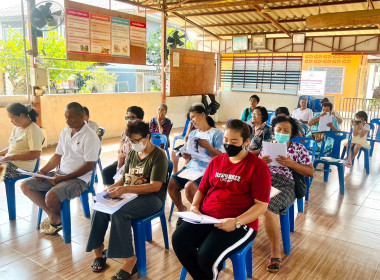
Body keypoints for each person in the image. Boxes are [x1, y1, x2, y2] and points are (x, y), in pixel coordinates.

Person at [172, 120, 271, 280]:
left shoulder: (258, 167)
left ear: (246, 142)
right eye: (225, 140)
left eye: (234, 141)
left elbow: (261, 206)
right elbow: (202, 189)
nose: (228, 144)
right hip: (207, 217)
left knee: (206, 256)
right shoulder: (217, 161)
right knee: (179, 241)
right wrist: (195, 207)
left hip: (241, 224)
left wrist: (236, 222)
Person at [86, 120, 168, 280]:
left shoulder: (159, 156)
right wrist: (113, 188)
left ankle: (129, 260)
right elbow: (124, 179)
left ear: (147, 137)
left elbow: (155, 187)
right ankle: (99, 251)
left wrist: (125, 189)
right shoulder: (132, 154)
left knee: (120, 213)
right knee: (99, 206)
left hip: (151, 198)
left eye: (137, 140)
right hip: (130, 194)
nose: (134, 144)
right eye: (131, 141)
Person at [20, 102, 100, 235]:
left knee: (51, 197)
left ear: (82, 116)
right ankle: (55, 217)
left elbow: (89, 165)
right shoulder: (65, 131)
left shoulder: (90, 136)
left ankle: (55, 218)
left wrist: (64, 178)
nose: (68, 120)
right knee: (26, 186)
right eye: (66, 117)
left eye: (71, 117)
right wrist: (43, 172)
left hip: (79, 180)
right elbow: (57, 155)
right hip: (60, 174)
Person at [260, 116, 314, 273]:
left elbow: (310, 172)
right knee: (238, 197)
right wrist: (261, 163)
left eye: (286, 130)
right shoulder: (267, 148)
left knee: (268, 208)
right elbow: (255, 170)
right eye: (278, 130)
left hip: (286, 184)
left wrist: (292, 164)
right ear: (273, 131)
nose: (281, 133)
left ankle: (275, 252)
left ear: (291, 133)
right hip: (265, 182)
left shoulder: (298, 149)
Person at [168, 103, 224, 227]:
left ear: (203, 115)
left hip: (208, 169)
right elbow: (189, 155)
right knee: (171, 184)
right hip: (192, 167)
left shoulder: (217, 134)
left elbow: (221, 158)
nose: (192, 120)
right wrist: (186, 155)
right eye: (190, 118)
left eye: (193, 117)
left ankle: (201, 216)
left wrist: (208, 147)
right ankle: (182, 210)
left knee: (190, 187)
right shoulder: (193, 134)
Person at [0, 103, 44, 181]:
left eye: (12, 118)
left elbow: (35, 154)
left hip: (21, 167)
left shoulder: (33, 130)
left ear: (22, 116)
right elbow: (13, 146)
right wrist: (1, 153)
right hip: (10, 162)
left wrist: (10, 157)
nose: (11, 121)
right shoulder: (17, 128)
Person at [101, 106, 144, 186]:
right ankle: (111, 194)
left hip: (137, 165)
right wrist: (119, 166)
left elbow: (143, 156)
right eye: (127, 117)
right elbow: (121, 151)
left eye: (132, 117)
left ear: (140, 119)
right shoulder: (125, 133)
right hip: (124, 162)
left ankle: (122, 193)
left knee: (126, 179)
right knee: (106, 172)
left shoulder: (144, 135)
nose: (129, 120)